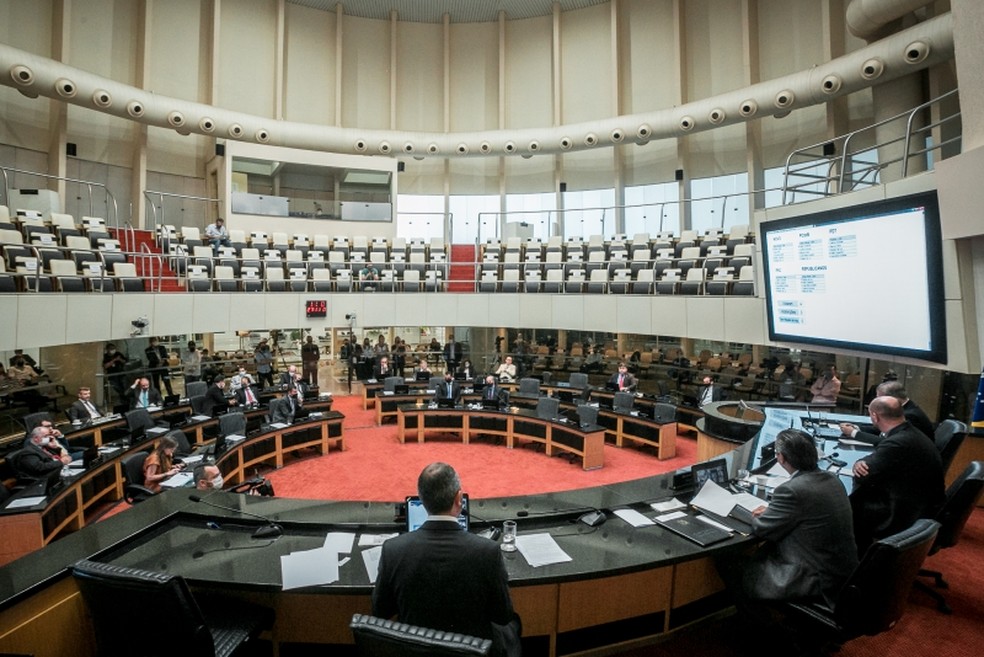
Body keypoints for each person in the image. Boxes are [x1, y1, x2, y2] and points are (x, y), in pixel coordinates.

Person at [372, 463, 517, 656]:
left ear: (422, 501)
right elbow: (503, 616)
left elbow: (380, 612)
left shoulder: (393, 550)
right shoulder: (487, 551)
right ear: (459, 499)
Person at [731, 429, 858, 606]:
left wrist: (754, 514)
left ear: (781, 458)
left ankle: (761, 625)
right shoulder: (831, 478)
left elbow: (762, 528)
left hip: (813, 580)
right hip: (841, 573)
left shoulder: (792, 490)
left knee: (731, 563)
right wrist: (774, 510)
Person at [849, 396, 945, 555]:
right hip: (921, 504)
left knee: (847, 508)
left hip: (904, 512)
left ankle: (858, 562)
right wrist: (861, 462)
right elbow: (874, 460)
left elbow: (863, 476)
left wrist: (859, 466)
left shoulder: (897, 442)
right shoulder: (908, 433)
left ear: (875, 416)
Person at [839, 380, 934, 443]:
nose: (876, 400)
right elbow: (881, 430)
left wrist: (854, 433)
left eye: (879, 397)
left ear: (891, 398)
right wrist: (856, 428)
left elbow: (887, 442)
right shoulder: (906, 408)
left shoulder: (909, 416)